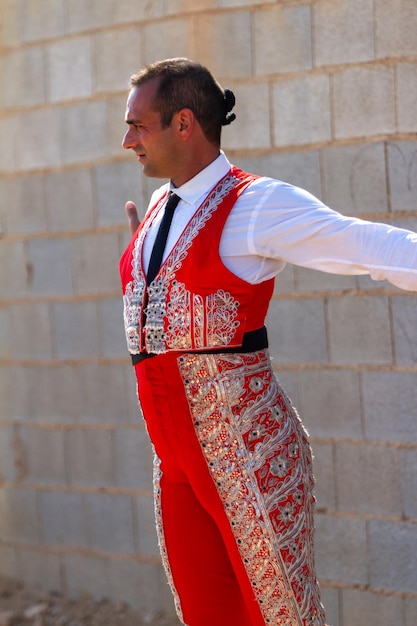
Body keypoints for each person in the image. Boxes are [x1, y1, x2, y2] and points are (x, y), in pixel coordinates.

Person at [119, 58, 417, 626]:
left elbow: (364, 246)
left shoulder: (255, 205)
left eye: (139, 124)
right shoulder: (159, 208)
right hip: (177, 468)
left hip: (250, 460)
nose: (127, 139)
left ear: (184, 124)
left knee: (282, 619)